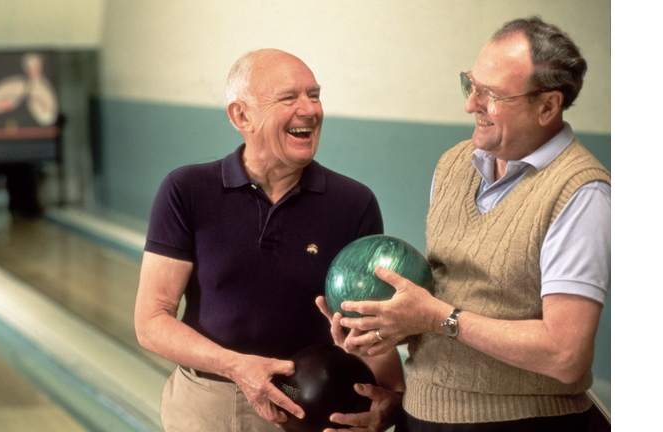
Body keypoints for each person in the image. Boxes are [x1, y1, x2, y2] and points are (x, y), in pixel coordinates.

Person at [326, 16, 611, 431]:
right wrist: (385, 328)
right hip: (421, 415)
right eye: (471, 85)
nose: (470, 104)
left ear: (548, 106)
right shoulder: (455, 163)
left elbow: (565, 356)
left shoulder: (581, 193)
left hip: (521, 423)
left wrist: (437, 318)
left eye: (492, 94)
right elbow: (445, 302)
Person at [134, 48, 405, 432]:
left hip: (314, 409)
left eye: (314, 95)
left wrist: (391, 395)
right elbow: (151, 320)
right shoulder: (187, 190)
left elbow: (364, 324)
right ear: (241, 115)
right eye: (289, 98)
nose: (309, 109)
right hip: (210, 404)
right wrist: (236, 366)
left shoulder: (353, 203)